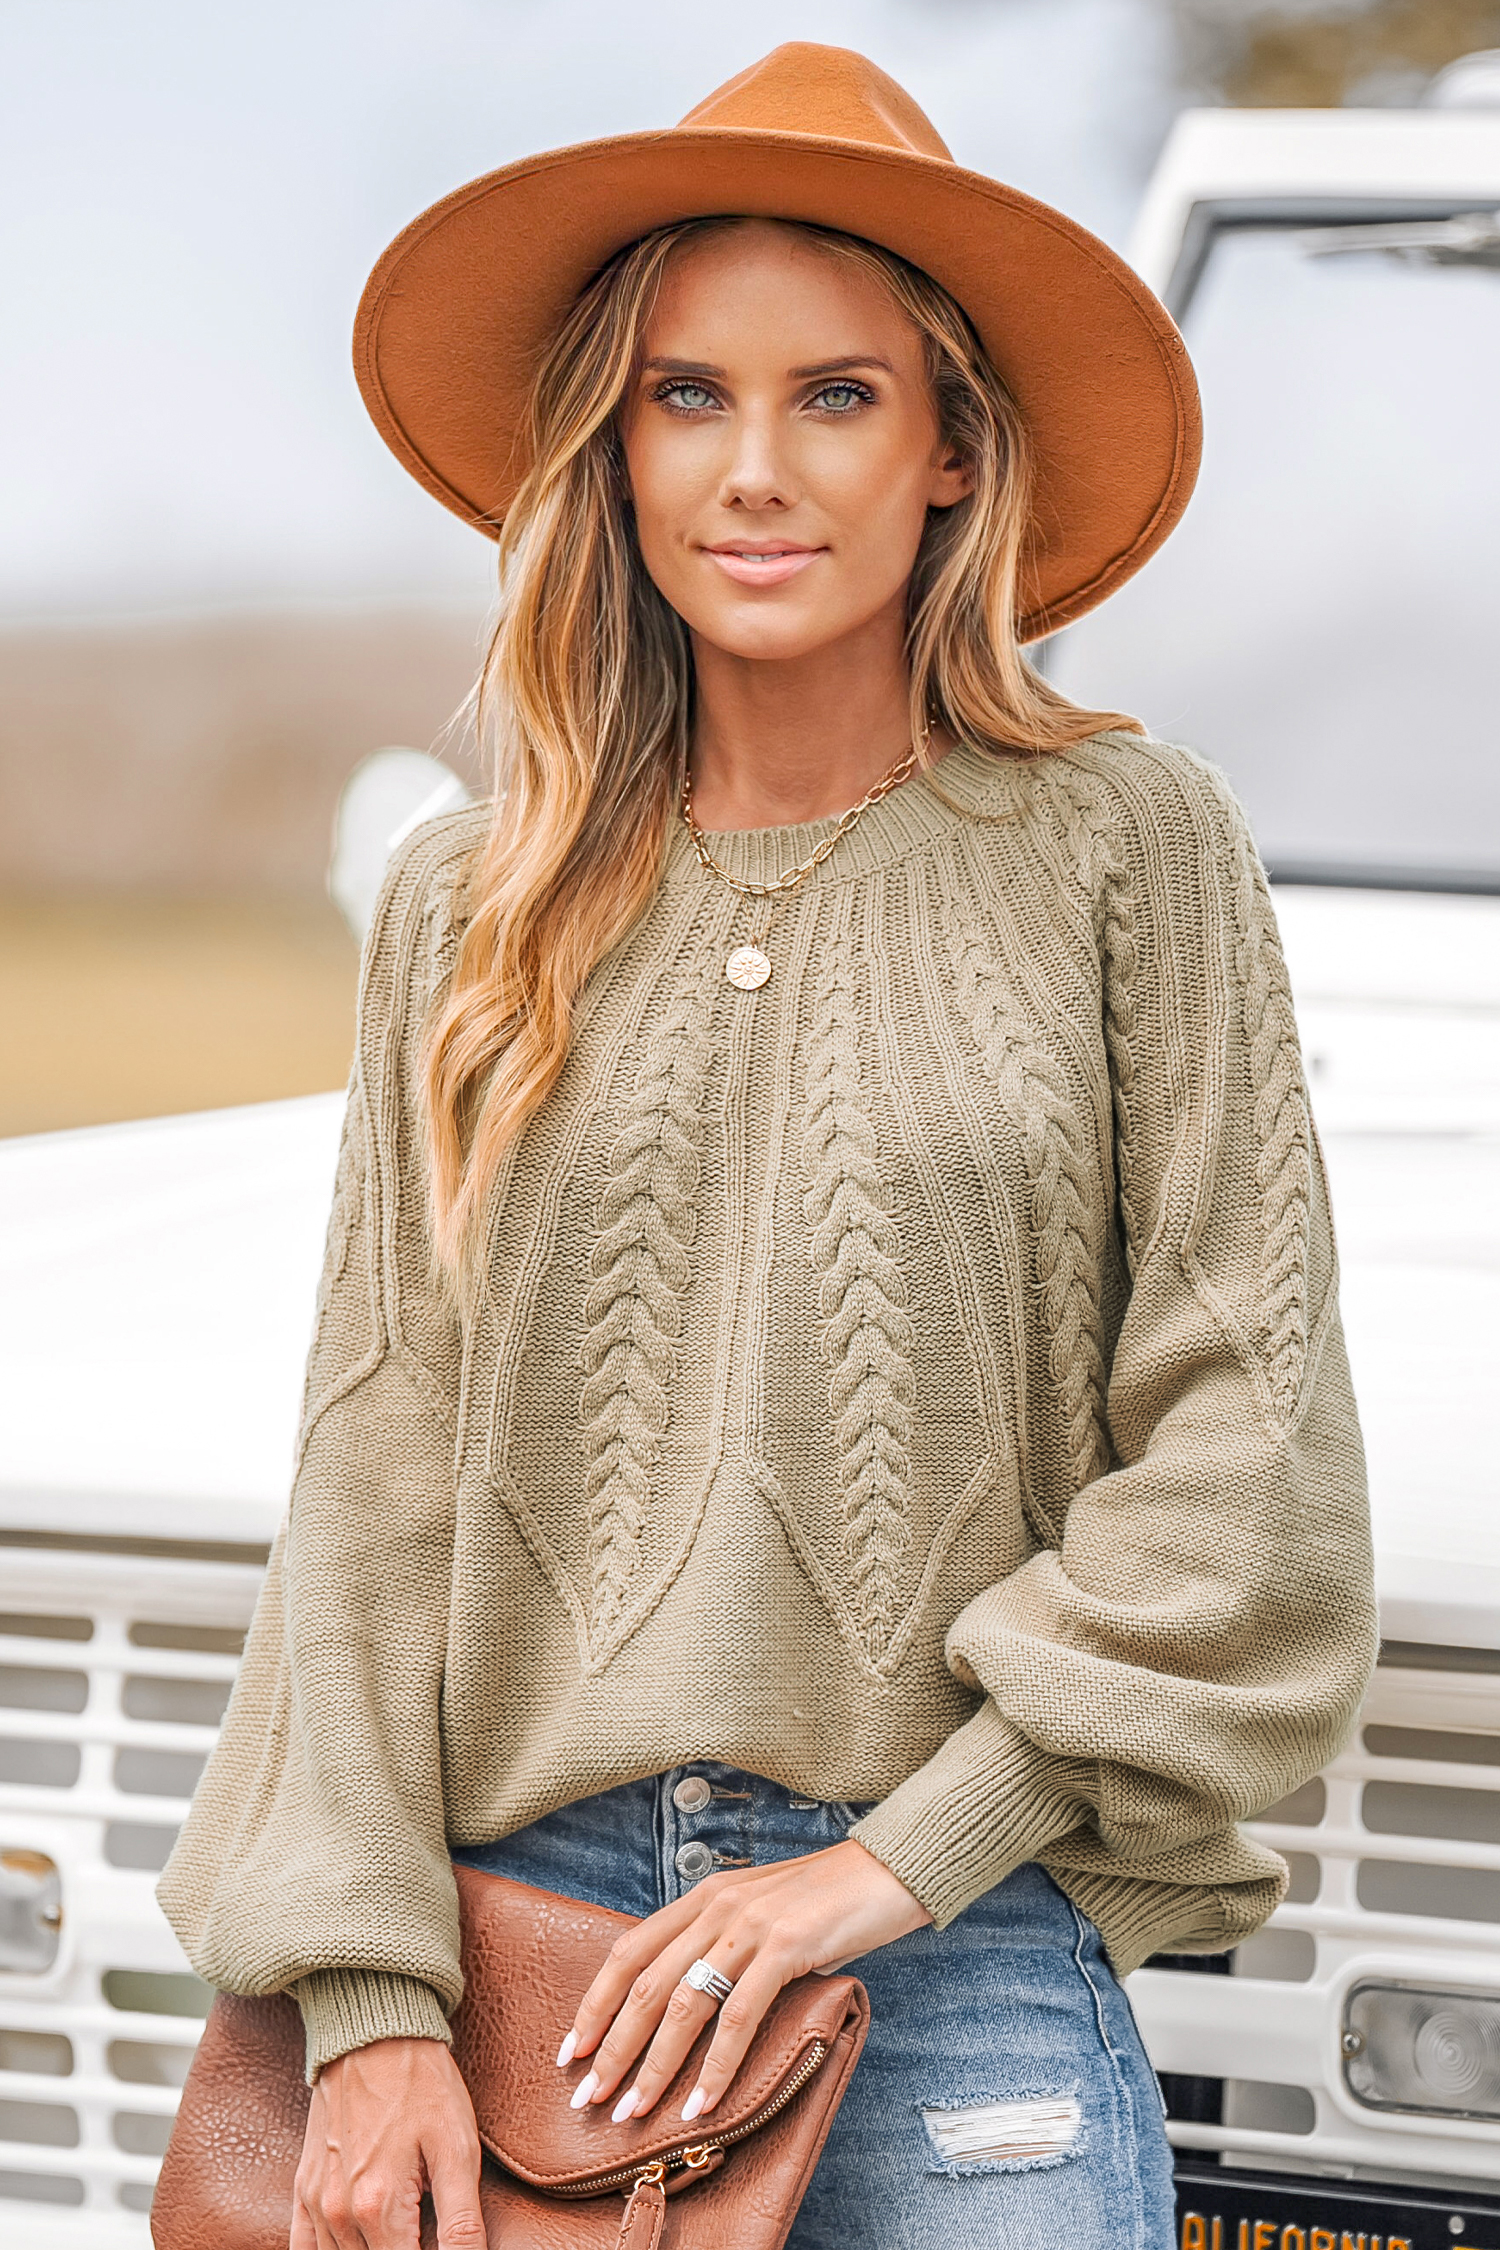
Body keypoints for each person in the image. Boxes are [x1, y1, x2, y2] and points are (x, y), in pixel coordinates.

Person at [160, 43, 1376, 2250]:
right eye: (685, 396)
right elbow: (374, 1486)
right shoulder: (468, 903)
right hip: (511, 1965)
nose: (754, 467)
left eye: (835, 395)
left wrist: (890, 1863)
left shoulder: (1129, 846)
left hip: (952, 1943)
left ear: (949, 452)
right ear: (613, 451)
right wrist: (368, 2003)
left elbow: (1244, 1448)